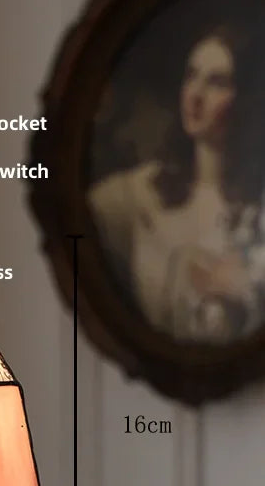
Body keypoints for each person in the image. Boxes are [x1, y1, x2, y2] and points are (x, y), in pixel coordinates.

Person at [89, 23, 265, 342]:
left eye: (217, 82)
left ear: (245, 99)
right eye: (191, 76)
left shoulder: (258, 208)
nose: (196, 94)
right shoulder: (143, 192)